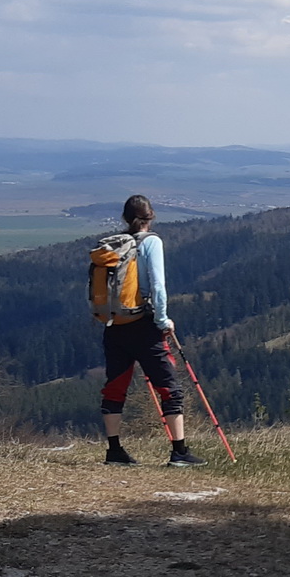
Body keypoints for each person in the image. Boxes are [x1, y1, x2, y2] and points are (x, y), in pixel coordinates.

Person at [94, 195, 204, 467]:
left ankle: (114, 451)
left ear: (125, 218)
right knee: (169, 388)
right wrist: (163, 320)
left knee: (114, 388)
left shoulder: (116, 246)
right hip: (144, 326)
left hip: (115, 326)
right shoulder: (151, 242)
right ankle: (179, 453)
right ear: (150, 217)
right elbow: (157, 286)